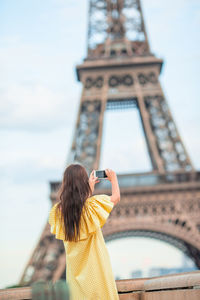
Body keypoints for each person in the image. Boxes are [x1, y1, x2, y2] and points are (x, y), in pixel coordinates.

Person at [48, 163, 120, 300]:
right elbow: (115, 198)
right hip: (96, 273)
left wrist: (89, 190)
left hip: (75, 278)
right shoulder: (92, 207)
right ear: (83, 182)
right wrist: (113, 179)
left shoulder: (58, 212)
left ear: (65, 183)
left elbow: (77, 206)